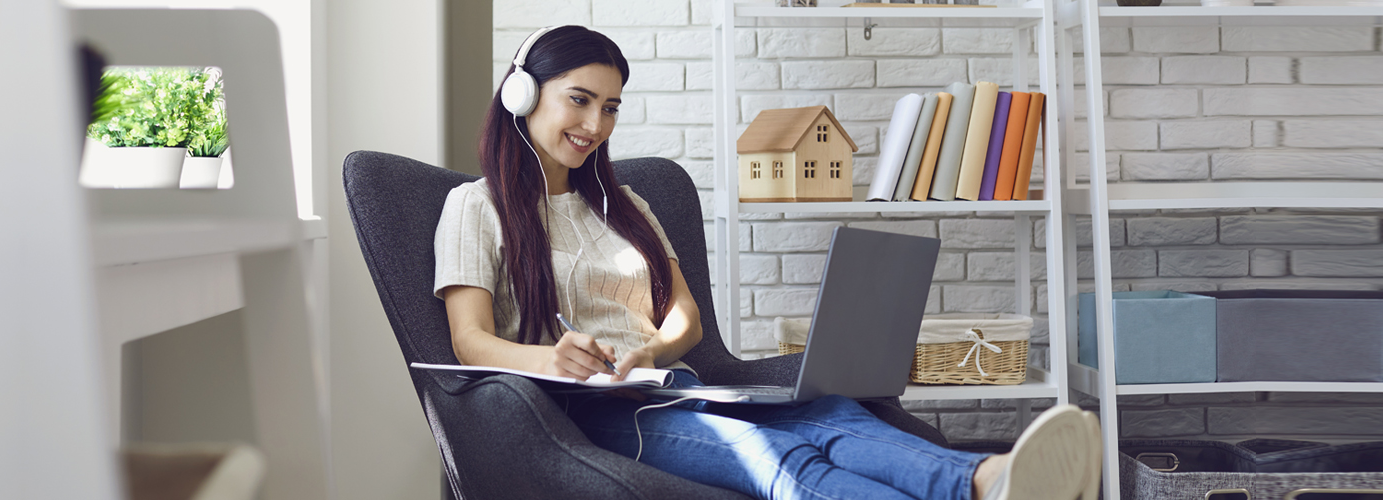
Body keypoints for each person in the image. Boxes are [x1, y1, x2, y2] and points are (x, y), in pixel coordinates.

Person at [434, 24, 1102, 500]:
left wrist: (654, 352)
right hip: (582, 412)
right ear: (522, 94)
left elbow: (686, 316)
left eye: (609, 107)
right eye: (579, 99)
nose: (597, 124)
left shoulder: (624, 201)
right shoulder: (476, 206)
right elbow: (468, 339)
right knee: (775, 454)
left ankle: (984, 480)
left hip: (671, 383)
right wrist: (550, 359)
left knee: (834, 414)